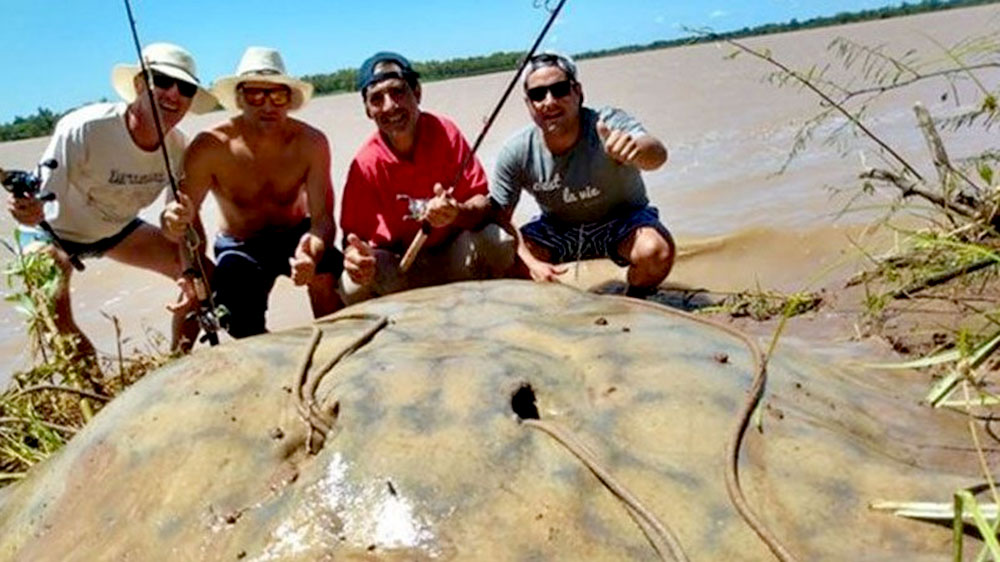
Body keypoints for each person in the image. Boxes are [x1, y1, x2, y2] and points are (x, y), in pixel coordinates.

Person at [5, 42, 216, 359]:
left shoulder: (178, 148)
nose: (173, 94)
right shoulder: (84, 128)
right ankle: (98, 398)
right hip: (52, 232)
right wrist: (27, 212)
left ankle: (179, 364)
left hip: (117, 230)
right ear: (139, 84)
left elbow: (174, 228)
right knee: (57, 318)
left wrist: (184, 259)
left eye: (185, 88)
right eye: (161, 80)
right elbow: (41, 205)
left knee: (204, 278)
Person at [161, 47, 342, 339]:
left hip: (295, 235)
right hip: (240, 245)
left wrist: (312, 250)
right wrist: (173, 225)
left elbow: (322, 220)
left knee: (327, 277)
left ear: (289, 99)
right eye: (255, 95)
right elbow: (181, 227)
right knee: (237, 319)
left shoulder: (312, 143)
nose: (267, 105)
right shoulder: (209, 147)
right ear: (239, 98)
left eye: (277, 96)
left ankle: (334, 347)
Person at [491, 52, 674, 296]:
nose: (549, 101)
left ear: (577, 91)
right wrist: (532, 264)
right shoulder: (516, 151)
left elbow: (657, 155)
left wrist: (636, 150)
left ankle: (635, 298)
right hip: (559, 229)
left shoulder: (607, 123)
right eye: (538, 94)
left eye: (559, 89)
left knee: (655, 252)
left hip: (623, 221)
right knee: (506, 261)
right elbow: (498, 216)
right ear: (528, 104)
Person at [339, 52, 516, 304]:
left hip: (453, 254)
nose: (390, 106)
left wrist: (457, 211)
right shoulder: (365, 163)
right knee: (350, 285)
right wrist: (355, 257)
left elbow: (483, 204)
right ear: (368, 110)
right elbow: (351, 236)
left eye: (398, 91)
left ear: (417, 93)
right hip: (402, 268)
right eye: (377, 99)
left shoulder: (446, 132)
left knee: (498, 240)